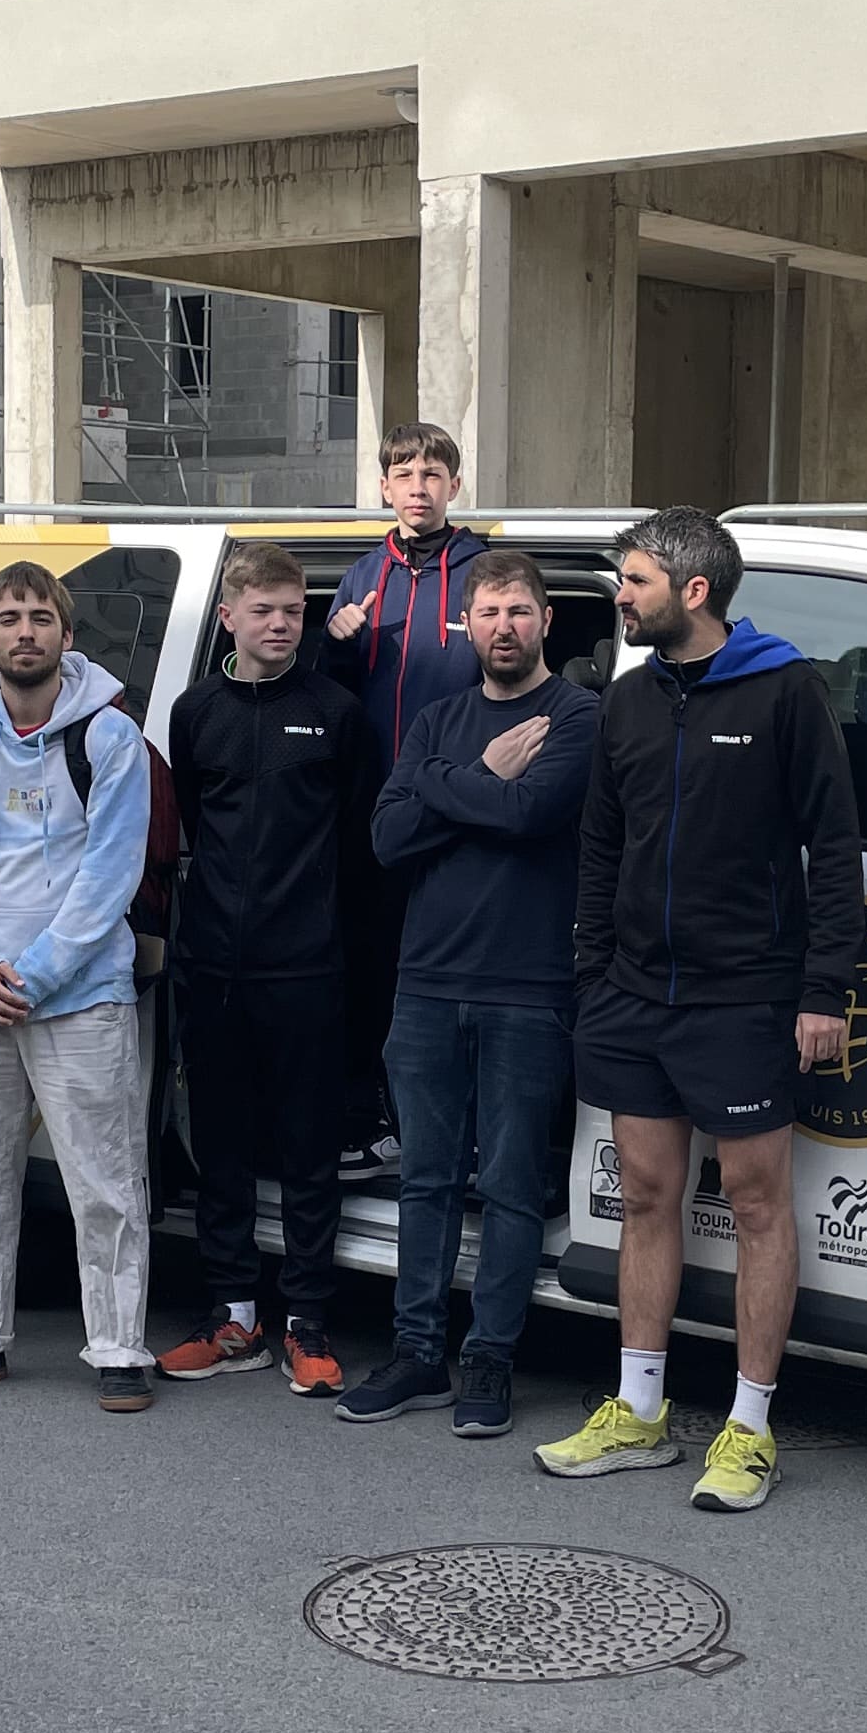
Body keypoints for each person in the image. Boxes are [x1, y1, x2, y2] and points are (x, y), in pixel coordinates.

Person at [536, 508, 863, 1514]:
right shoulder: (629, 701)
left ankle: (750, 1430)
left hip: (745, 996)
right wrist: (593, 975)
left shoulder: (786, 689)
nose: (619, 596)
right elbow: (601, 846)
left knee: (758, 1206)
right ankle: (639, 1413)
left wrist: (823, 990)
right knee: (645, 1197)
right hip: (634, 997)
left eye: (633, 580)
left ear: (694, 591)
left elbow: (834, 849)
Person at [340, 545, 600, 1439]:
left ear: (546, 621)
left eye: (518, 611)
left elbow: (532, 816)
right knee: (427, 1182)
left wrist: (443, 792)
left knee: (514, 1187)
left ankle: (490, 1358)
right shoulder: (439, 720)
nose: (503, 627)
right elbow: (387, 839)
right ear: (467, 626)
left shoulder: (578, 716)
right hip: (425, 984)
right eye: (487, 613)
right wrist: (484, 773)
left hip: (529, 987)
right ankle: (418, 1353)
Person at [0, 563, 161, 1411]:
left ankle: (118, 1349)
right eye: (8, 618)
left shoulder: (110, 737)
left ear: (66, 635)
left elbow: (110, 876)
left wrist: (37, 974)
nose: (24, 631)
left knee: (105, 1180)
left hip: (81, 994)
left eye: (40, 617)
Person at [155, 542, 373, 1398]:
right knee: (223, 1146)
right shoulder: (195, 712)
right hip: (213, 965)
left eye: (293, 611)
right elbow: (195, 824)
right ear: (228, 618)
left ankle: (307, 1321)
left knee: (310, 1150)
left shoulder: (336, 711)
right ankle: (233, 1316)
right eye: (263, 611)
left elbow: (355, 836)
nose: (280, 624)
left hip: (306, 965)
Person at [324, 422, 486, 1176]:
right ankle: (372, 1124)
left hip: (458, 816)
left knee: (453, 981)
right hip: (373, 818)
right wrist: (335, 645)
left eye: (432, 473)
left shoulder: (485, 572)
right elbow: (329, 700)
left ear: (454, 484)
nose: (418, 487)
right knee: (372, 975)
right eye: (404, 473)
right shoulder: (361, 576)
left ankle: (463, 1135)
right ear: (384, 486)